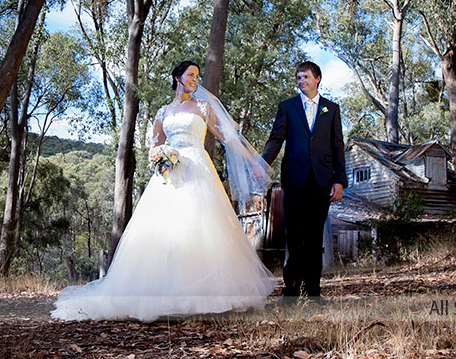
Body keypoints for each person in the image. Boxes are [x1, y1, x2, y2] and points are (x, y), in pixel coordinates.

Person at [51, 61, 275, 321]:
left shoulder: (204, 107)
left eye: (197, 76)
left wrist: (253, 163)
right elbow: (155, 145)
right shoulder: (163, 112)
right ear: (177, 77)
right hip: (169, 175)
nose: (194, 79)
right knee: (163, 231)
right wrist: (160, 157)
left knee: (200, 228)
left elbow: (228, 137)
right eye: (190, 75)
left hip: (198, 171)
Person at [261, 61, 346, 299]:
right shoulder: (287, 107)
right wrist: (261, 164)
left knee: (314, 236)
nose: (302, 81)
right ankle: (290, 292)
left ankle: (314, 293)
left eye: (306, 77)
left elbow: (337, 146)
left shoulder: (331, 109)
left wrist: (339, 180)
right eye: (298, 78)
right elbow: (276, 139)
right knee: (294, 236)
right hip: (294, 180)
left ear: (317, 79)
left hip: (321, 181)